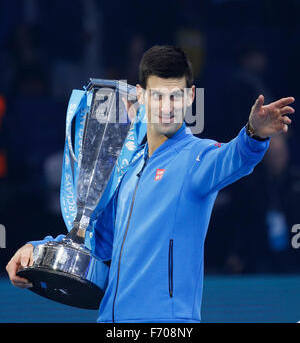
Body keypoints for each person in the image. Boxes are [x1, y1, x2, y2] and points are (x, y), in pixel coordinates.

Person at [6, 45, 295, 323]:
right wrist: (36, 249)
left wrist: (253, 135)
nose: (167, 107)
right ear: (141, 96)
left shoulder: (197, 157)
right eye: (158, 96)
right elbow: (95, 242)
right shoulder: (126, 169)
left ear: (191, 96)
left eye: (175, 96)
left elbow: (234, 158)